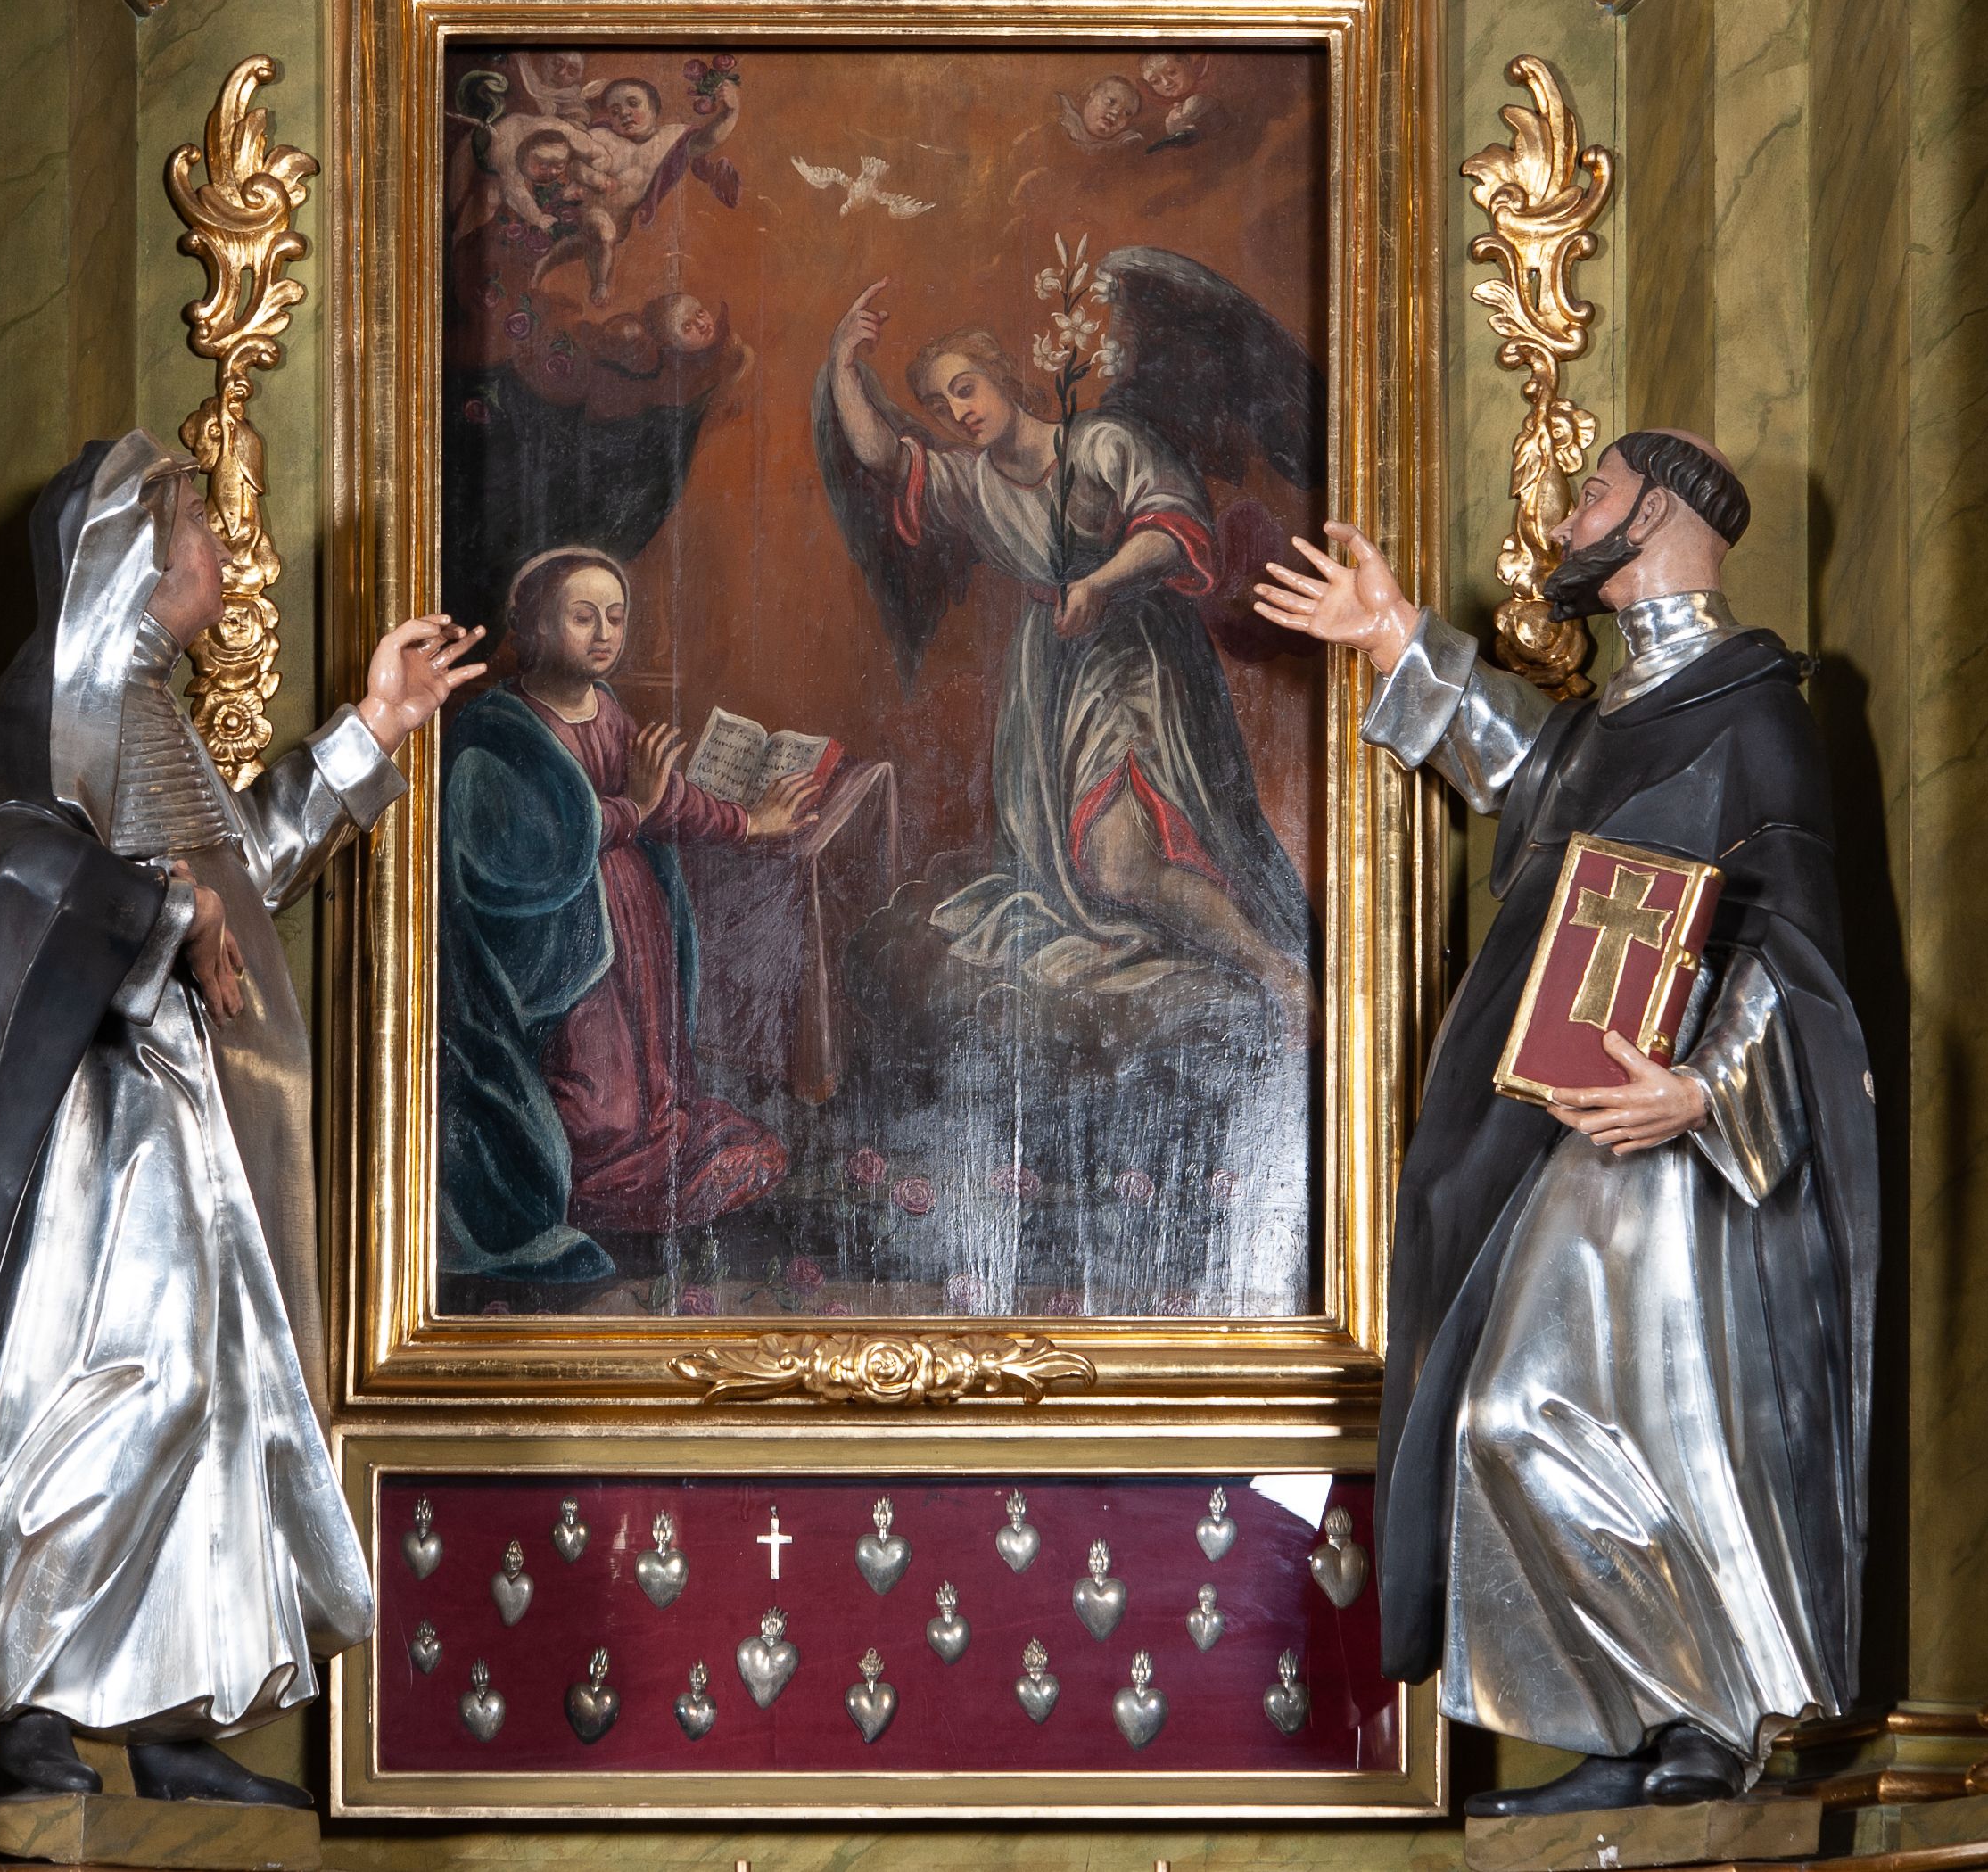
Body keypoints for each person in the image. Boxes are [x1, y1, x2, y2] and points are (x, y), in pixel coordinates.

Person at [1255, 432, 1877, 1813]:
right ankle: (1644, 1732)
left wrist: (1700, 1088)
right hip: (1567, 1122)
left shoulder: (1754, 709)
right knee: (1532, 1417)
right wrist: (1395, 637)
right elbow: (1533, 772)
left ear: (1660, 510)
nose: (1567, 513)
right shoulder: (1616, 717)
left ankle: (1703, 1718)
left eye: (1592, 491)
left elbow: (1793, 953)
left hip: (1666, 1153)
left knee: (1574, 1417)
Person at [0, 433, 483, 1802]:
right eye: (202, 527)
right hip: (101, 1132)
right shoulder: (49, 708)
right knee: (106, 1393)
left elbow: (246, 867)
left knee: (215, 1396)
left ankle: (167, 1710)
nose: (227, 551)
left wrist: (374, 725)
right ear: (133, 553)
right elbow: (18, 865)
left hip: (200, 1122)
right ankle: (30, 1695)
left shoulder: (150, 714)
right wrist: (166, 911)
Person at [825, 281, 1315, 1012]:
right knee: (1096, 872)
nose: (958, 412)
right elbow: (882, 457)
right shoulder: (968, 482)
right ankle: (1251, 969)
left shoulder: (1098, 443)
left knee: (1118, 864)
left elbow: (1173, 525)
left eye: (966, 387)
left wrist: (1101, 581)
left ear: (1002, 377)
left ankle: (1278, 973)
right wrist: (842, 365)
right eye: (939, 405)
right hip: (1051, 672)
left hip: (1133, 657)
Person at [438, 548, 820, 1286]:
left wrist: (750, 821)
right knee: (595, 1088)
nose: (604, 633)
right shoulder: (498, 729)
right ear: (535, 626)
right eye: (583, 617)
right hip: (563, 940)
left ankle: (649, 1137)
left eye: (615, 617)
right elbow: (528, 851)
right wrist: (632, 809)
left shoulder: (606, 708)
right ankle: (585, 1173)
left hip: (632, 921)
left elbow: (663, 798)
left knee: (648, 1065)